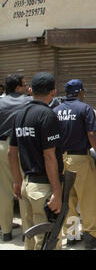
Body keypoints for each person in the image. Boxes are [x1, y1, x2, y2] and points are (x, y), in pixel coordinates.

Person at [8, 72, 63, 250]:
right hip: (43, 188)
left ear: (31, 90)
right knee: (48, 240)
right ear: (53, 92)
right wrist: (57, 191)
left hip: (26, 185)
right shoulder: (47, 115)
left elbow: (11, 152)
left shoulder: (20, 115)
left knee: (30, 238)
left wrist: (17, 181)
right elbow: (49, 156)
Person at [53, 79, 96, 249]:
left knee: (68, 200)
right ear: (80, 92)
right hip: (81, 160)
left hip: (61, 159)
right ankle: (91, 236)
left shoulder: (55, 111)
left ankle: (72, 235)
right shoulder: (85, 108)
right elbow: (91, 133)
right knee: (89, 199)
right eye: (83, 91)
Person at [0, 74, 31, 241]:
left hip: (1, 146)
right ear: (18, 87)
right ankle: (27, 232)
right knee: (23, 187)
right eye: (24, 85)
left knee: (3, 191)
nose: (26, 88)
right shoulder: (27, 101)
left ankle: (6, 232)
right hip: (20, 146)